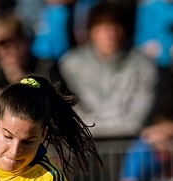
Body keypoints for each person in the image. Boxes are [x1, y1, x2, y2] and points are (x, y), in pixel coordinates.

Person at [57, 1, 158, 140]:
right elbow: (69, 115)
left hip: (128, 143)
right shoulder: (69, 64)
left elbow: (137, 120)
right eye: (103, 27)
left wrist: (90, 127)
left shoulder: (144, 66)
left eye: (116, 27)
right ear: (91, 31)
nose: (111, 34)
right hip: (82, 144)